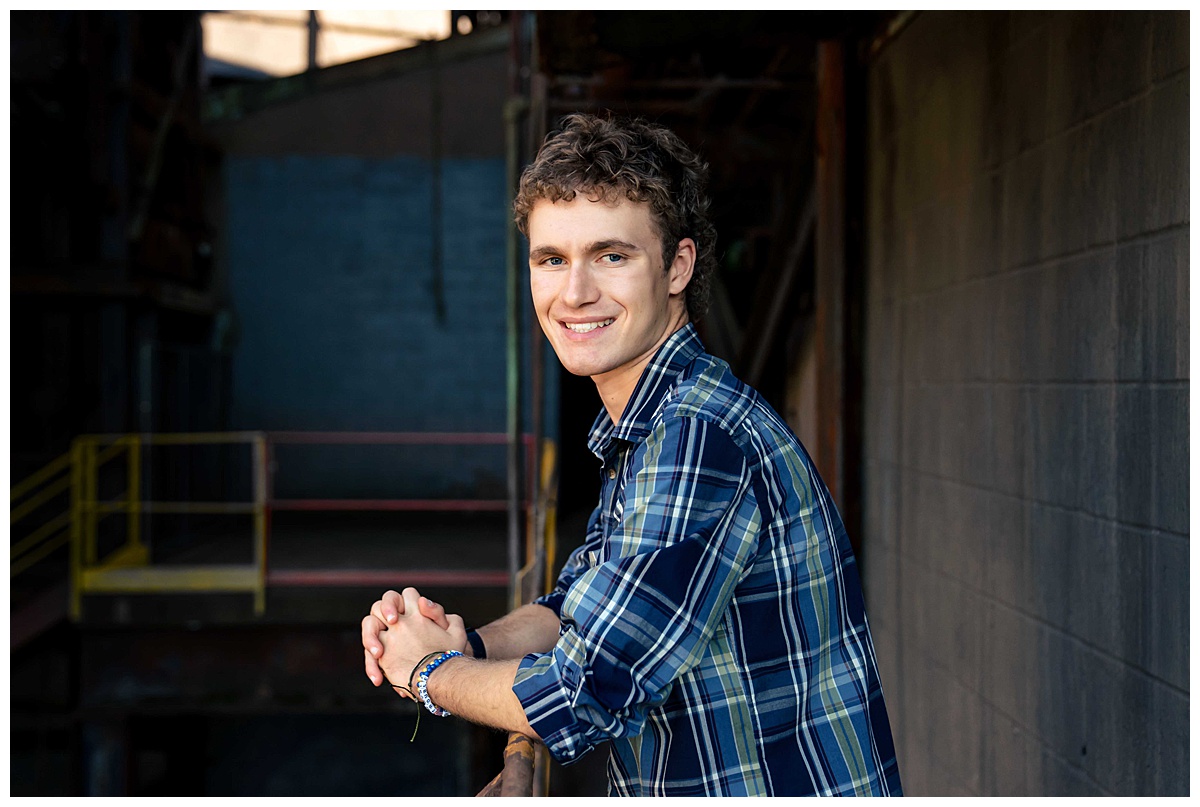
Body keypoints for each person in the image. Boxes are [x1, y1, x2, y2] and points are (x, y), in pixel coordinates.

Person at [361, 113, 903, 797]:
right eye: (551, 259)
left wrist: (427, 674)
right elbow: (576, 609)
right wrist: (466, 643)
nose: (576, 292)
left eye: (611, 256)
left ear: (677, 266)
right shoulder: (649, 426)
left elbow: (587, 693)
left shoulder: (696, 438)